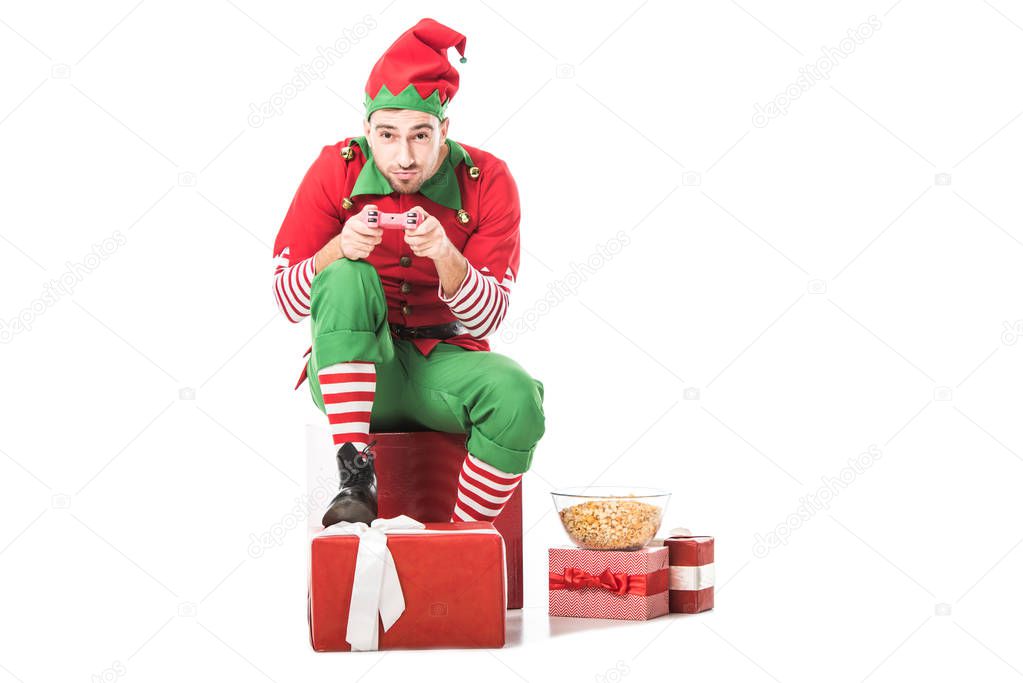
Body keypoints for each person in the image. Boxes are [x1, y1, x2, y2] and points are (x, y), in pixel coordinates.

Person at [271, 18, 545, 528]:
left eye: (421, 135)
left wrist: (446, 255)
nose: (404, 156)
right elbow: (288, 303)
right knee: (345, 275)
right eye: (387, 135)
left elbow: (487, 322)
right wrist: (338, 249)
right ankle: (355, 480)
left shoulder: (488, 180)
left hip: (445, 368)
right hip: (353, 374)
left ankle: (463, 540)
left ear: (445, 128)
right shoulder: (336, 169)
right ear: (367, 129)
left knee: (516, 393)